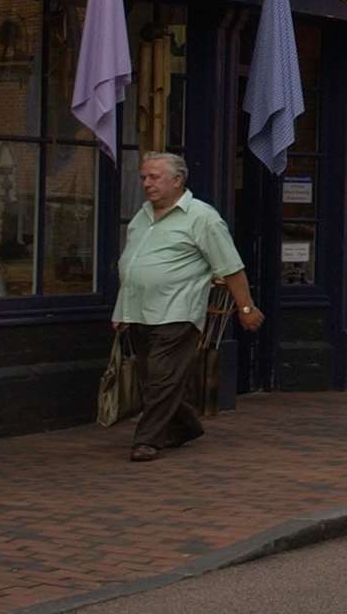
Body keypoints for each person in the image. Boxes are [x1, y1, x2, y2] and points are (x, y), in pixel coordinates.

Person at [111, 152, 263, 463]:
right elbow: (132, 265)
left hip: (177, 311)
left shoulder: (202, 217)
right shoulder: (142, 216)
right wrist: (120, 312)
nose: (146, 184)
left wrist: (245, 308)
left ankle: (147, 440)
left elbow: (231, 267)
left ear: (177, 180)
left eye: (154, 177)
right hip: (138, 311)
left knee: (162, 377)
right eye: (143, 178)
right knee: (149, 377)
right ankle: (186, 425)